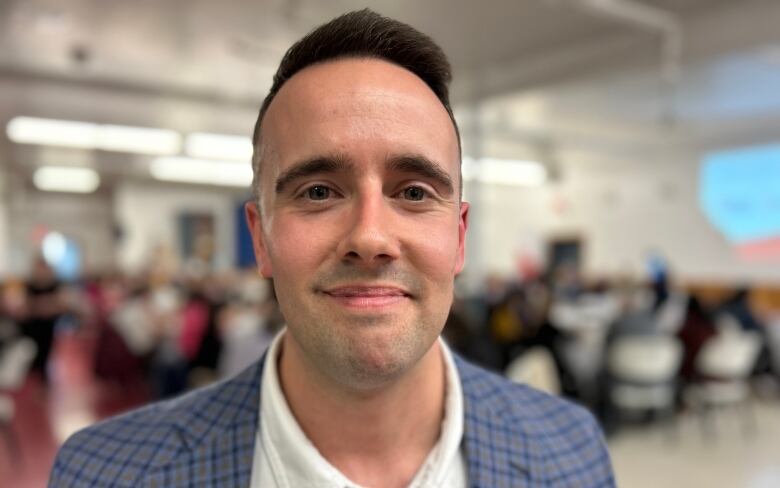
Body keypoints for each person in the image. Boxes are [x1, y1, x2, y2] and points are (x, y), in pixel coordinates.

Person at [50, 9, 614, 487]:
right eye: (318, 192)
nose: (370, 237)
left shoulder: (571, 454)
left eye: (414, 192)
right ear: (260, 238)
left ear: (459, 237)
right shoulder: (102, 473)